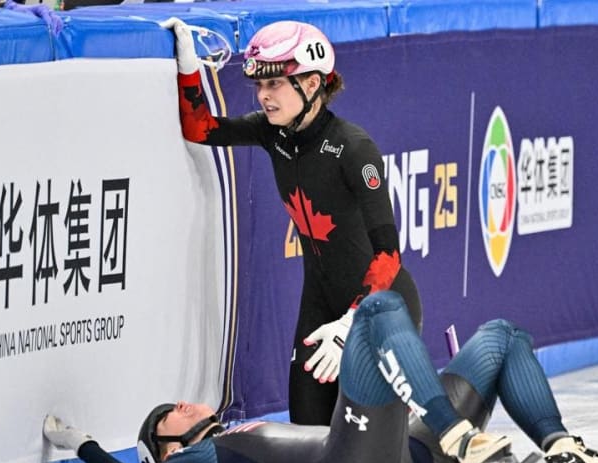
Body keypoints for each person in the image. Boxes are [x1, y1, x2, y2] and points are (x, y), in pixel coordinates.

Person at [44, 290, 598, 463]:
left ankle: (561, 449)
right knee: (379, 308)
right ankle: (458, 434)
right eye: (166, 413)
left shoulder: (236, 431)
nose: (181, 402)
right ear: (168, 445)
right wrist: (81, 442)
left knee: (503, 336)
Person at [160, 17, 423, 425]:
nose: (263, 96)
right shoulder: (272, 133)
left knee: (369, 444)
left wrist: (350, 322)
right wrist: (188, 66)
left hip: (377, 309)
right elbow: (199, 129)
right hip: (319, 303)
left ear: (313, 84)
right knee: (308, 436)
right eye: (259, 85)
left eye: (275, 84)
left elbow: (389, 256)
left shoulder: (354, 148)